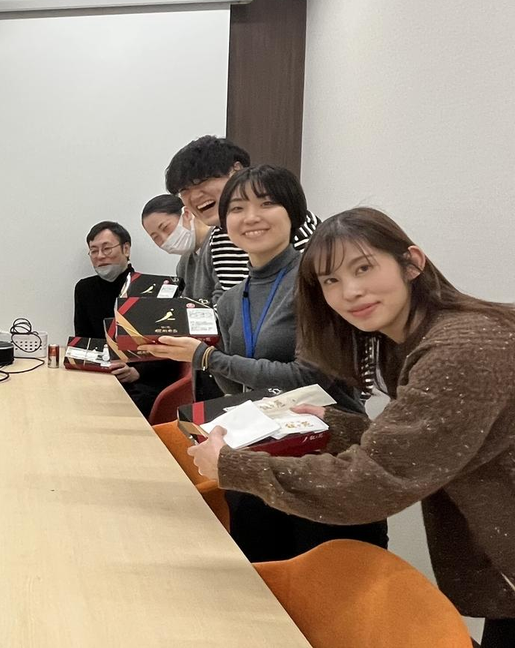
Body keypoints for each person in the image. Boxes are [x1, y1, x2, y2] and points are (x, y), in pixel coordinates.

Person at [188, 207, 515, 648]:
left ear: (412, 263)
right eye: (331, 280)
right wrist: (335, 426)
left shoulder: (461, 348)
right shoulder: (416, 339)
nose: (350, 291)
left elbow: (371, 483)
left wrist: (232, 467)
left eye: (364, 268)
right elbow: (434, 440)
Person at [146, 166, 385, 561]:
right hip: (260, 459)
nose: (251, 217)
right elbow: (238, 390)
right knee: (260, 577)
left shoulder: (318, 283)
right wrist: (205, 357)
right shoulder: (231, 299)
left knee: (331, 581)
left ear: (293, 213)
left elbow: (308, 379)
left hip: (326, 460)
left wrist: (206, 357)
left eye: (267, 203)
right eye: (238, 208)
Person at [163, 136, 319, 304]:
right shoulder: (218, 239)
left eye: (203, 182)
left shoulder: (294, 229)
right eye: (184, 190)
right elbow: (231, 306)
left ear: (236, 170)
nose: (195, 196)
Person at [72, 220, 180, 417]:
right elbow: (84, 339)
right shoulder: (84, 289)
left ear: (126, 249)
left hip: (144, 379)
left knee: (128, 406)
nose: (100, 256)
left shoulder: (156, 288)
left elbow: (171, 348)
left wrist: (135, 372)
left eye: (107, 248)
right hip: (100, 375)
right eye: (94, 251)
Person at [139, 194, 208, 299]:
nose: (164, 238)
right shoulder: (184, 263)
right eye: (156, 237)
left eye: (165, 227)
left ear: (187, 214)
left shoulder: (220, 243)